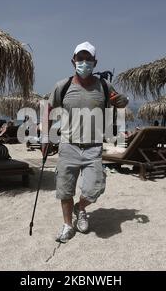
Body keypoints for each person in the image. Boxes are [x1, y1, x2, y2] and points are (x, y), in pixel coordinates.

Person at [45, 41, 128, 243]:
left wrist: (119, 100)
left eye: (88, 59)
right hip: (68, 145)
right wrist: (45, 137)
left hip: (93, 148)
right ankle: (67, 225)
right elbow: (47, 109)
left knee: (94, 189)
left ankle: (80, 207)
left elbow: (123, 102)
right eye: (80, 58)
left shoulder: (104, 86)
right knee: (65, 189)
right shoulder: (62, 86)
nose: (83, 62)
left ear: (95, 62)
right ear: (73, 61)